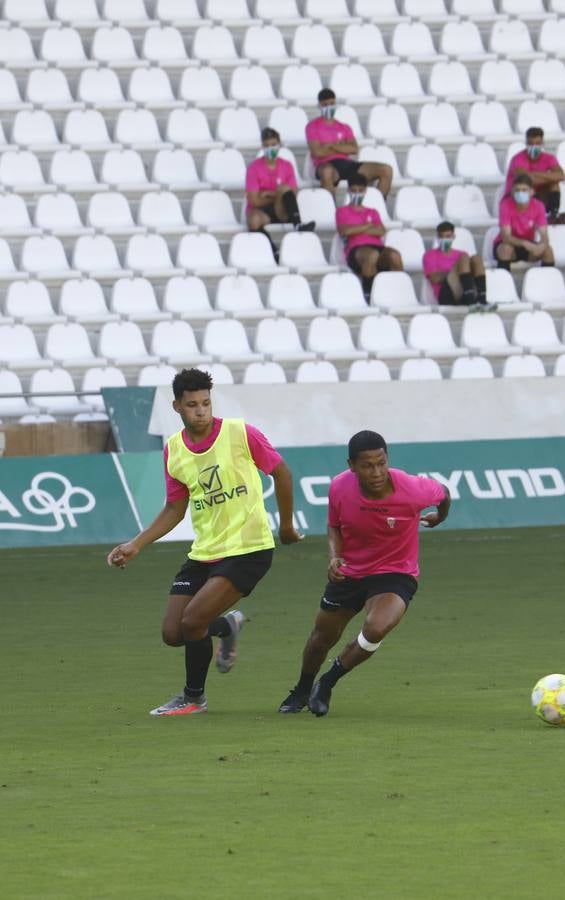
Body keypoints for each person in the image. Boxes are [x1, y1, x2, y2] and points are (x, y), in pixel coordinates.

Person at [107, 367, 302, 716]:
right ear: (177, 407)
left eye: (206, 403)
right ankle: (226, 625)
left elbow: (282, 474)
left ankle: (193, 698)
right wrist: (136, 544)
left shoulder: (241, 433)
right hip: (205, 552)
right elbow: (174, 508)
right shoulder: (174, 451)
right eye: (192, 404)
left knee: (193, 621)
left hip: (249, 549)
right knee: (173, 631)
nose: (200, 410)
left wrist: (286, 526)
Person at [277, 430, 451, 717]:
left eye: (381, 463)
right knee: (322, 637)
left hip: (395, 572)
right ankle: (302, 688)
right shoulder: (339, 487)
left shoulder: (412, 489)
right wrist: (334, 558)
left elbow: (443, 493)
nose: (377, 472)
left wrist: (440, 516)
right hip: (351, 572)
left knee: (376, 628)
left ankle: (328, 682)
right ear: (351, 465)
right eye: (368, 465)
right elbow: (334, 526)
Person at [306, 88, 393, 199]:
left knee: (386, 170)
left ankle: (379, 205)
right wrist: (342, 146)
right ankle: (331, 210)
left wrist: (331, 145)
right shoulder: (312, 126)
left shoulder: (344, 127)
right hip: (326, 164)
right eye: (325, 104)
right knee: (327, 172)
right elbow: (317, 152)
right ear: (319, 106)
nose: (329, 107)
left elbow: (354, 149)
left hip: (346, 164)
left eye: (332, 103)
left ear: (335, 103)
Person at [335, 172, 403, 300]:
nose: (357, 193)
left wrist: (357, 229)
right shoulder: (341, 211)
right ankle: (369, 293)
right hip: (356, 249)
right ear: (349, 191)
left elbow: (381, 231)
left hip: (377, 246)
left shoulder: (372, 211)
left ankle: (398, 290)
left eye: (360, 190)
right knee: (372, 255)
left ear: (365, 191)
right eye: (354, 190)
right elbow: (345, 231)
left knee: (394, 255)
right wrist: (367, 226)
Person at [245, 128, 315, 239]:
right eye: (267, 146)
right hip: (262, 211)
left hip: (281, 209)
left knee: (283, 188)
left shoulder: (287, 165)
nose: (270, 148)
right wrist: (279, 195)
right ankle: (272, 251)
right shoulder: (253, 168)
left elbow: (293, 193)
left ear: (279, 144)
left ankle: (297, 224)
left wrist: (270, 194)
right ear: (262, 147)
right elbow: (255, 201)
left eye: (273, 144)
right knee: (253, 219)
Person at [421, 220, 492, 311]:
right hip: (446, 295)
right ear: (437, 237)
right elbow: (434, 278)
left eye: (448, 236)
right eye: (441, 237)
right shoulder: (430, 255)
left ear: (453, 236)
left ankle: (482, 299)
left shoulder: (461, 253)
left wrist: (458, 271)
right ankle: (470, 301)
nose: (444, 239)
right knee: (464, 259)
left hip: (464, 288)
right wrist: (456, 270)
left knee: (476, 258)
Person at [504, 127, 565, 225]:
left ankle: (553, 214)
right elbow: (525, 181)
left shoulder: (549, 158)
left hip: (538, 196)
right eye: (531, 144)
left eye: (537, 144)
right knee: (529, 186)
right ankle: (542, 216)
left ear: (542, 143)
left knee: (554, 184)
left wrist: (536, 174)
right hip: (517, 197)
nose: (534, 147)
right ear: (526, 143)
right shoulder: (518, 159)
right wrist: (549, 176)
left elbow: (561, 176)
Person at [494, 173, 554, 268]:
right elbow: (506, 237)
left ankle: (548, 281)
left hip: (528, 244)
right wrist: (524, 243)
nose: (520, 193)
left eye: (524, 190)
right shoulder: (505, 205)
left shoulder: (538, 206)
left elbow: (544, 234)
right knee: (506, 249)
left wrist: (542, 245)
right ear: (512, 192)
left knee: (547, 250)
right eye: (517, 190)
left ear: (532, 192)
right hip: (507, 244)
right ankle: (504, 281)